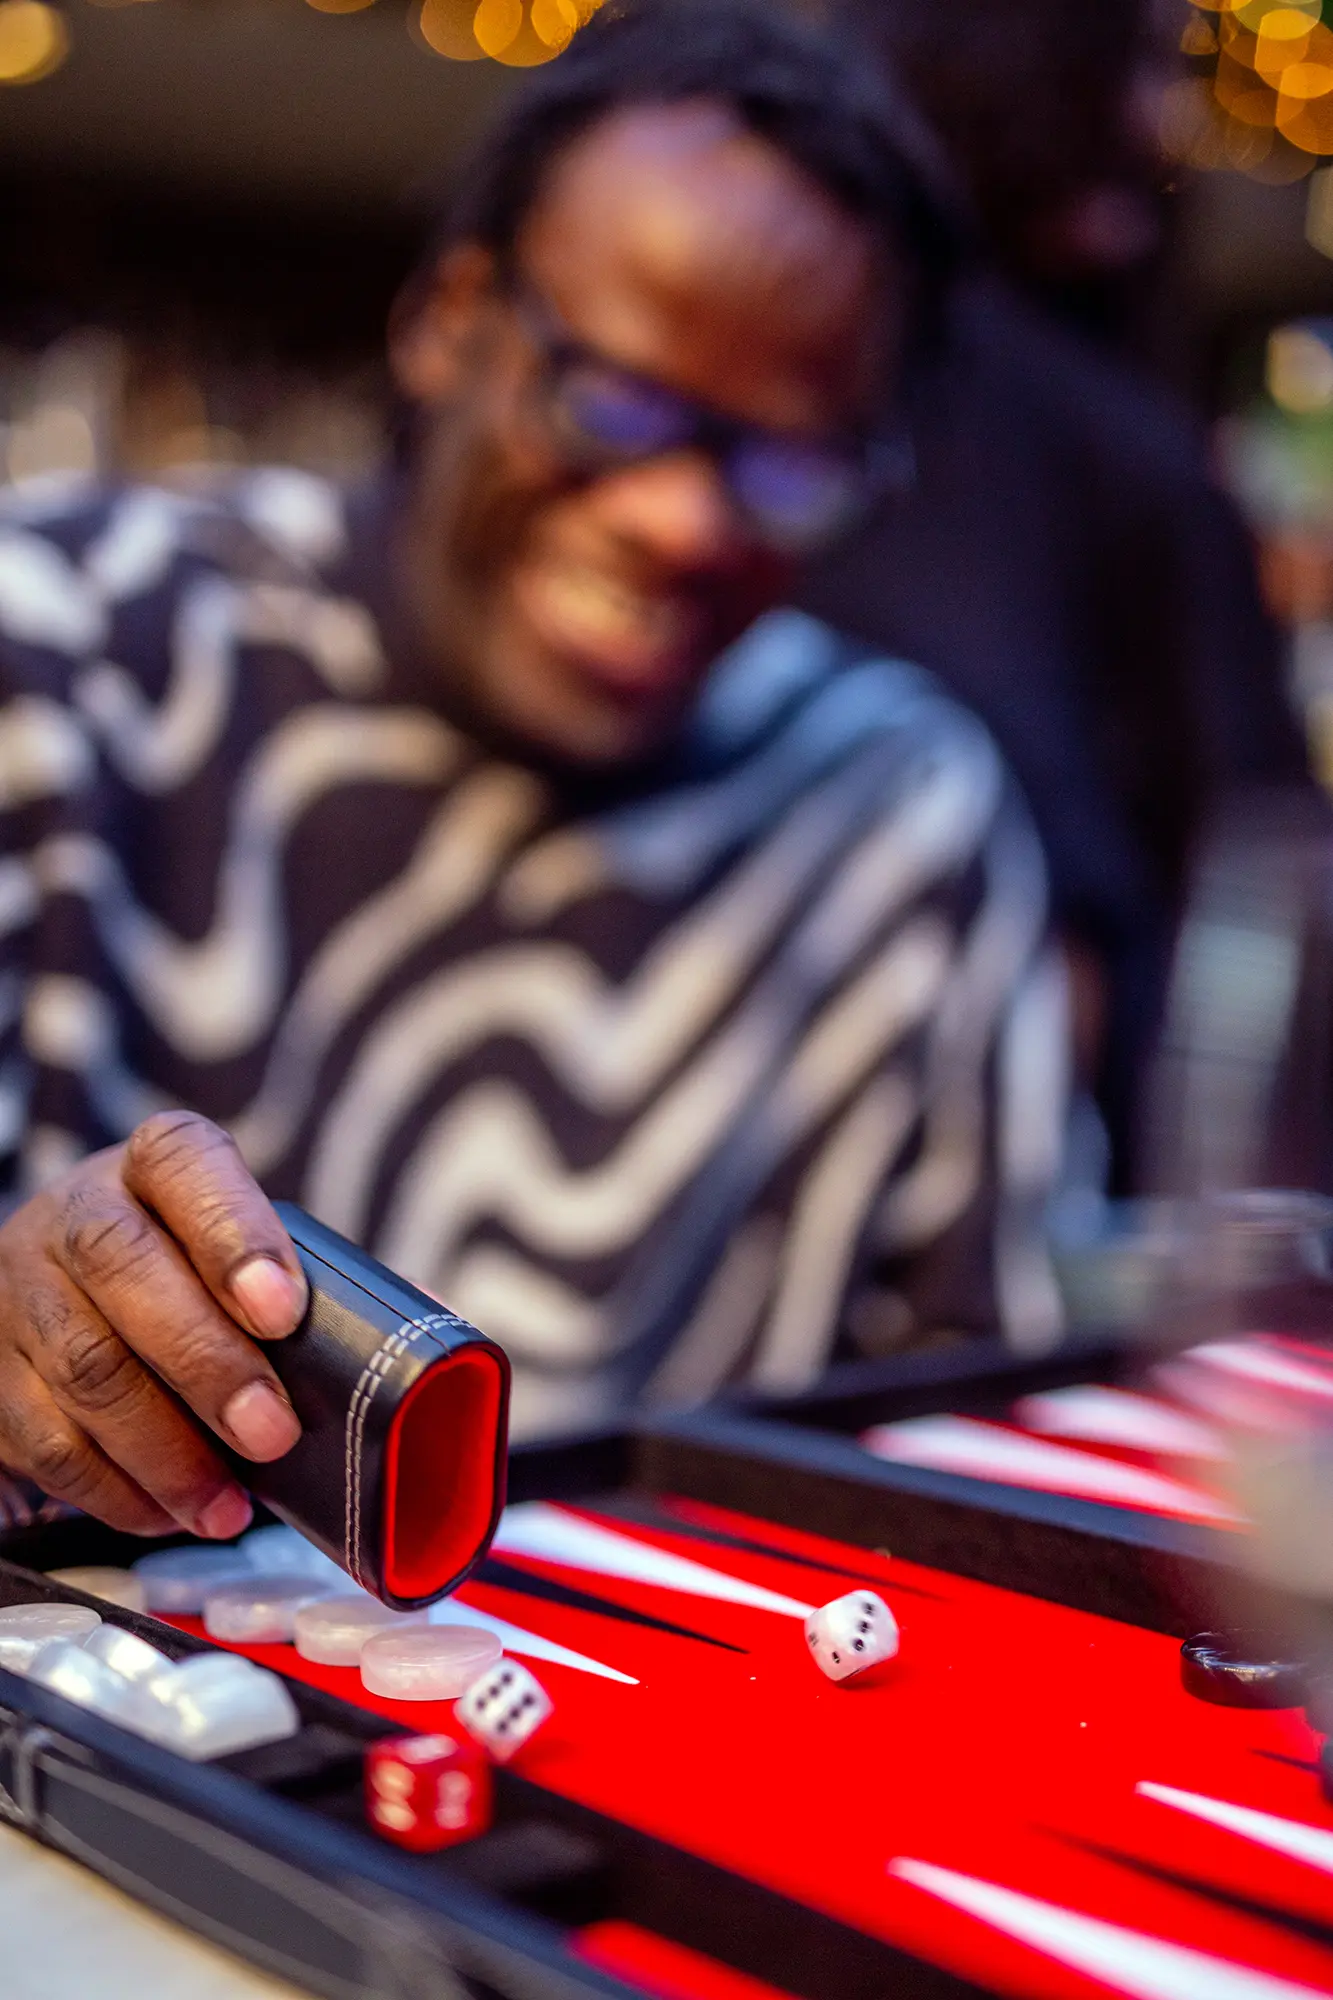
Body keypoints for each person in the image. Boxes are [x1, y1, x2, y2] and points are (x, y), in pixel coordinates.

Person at [0, 0, 1064, 1547]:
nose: (683, 523)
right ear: (450, 315)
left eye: (789, 464)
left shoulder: (901, 813)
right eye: (616, 400)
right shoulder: (62, 641)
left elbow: (977, 1442)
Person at [801, 0, 1314, 1189]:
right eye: (1138, 66)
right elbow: (1102, 885)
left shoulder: (905, 377)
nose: (1169, 119)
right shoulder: (982, 401)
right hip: (1019, 1182)